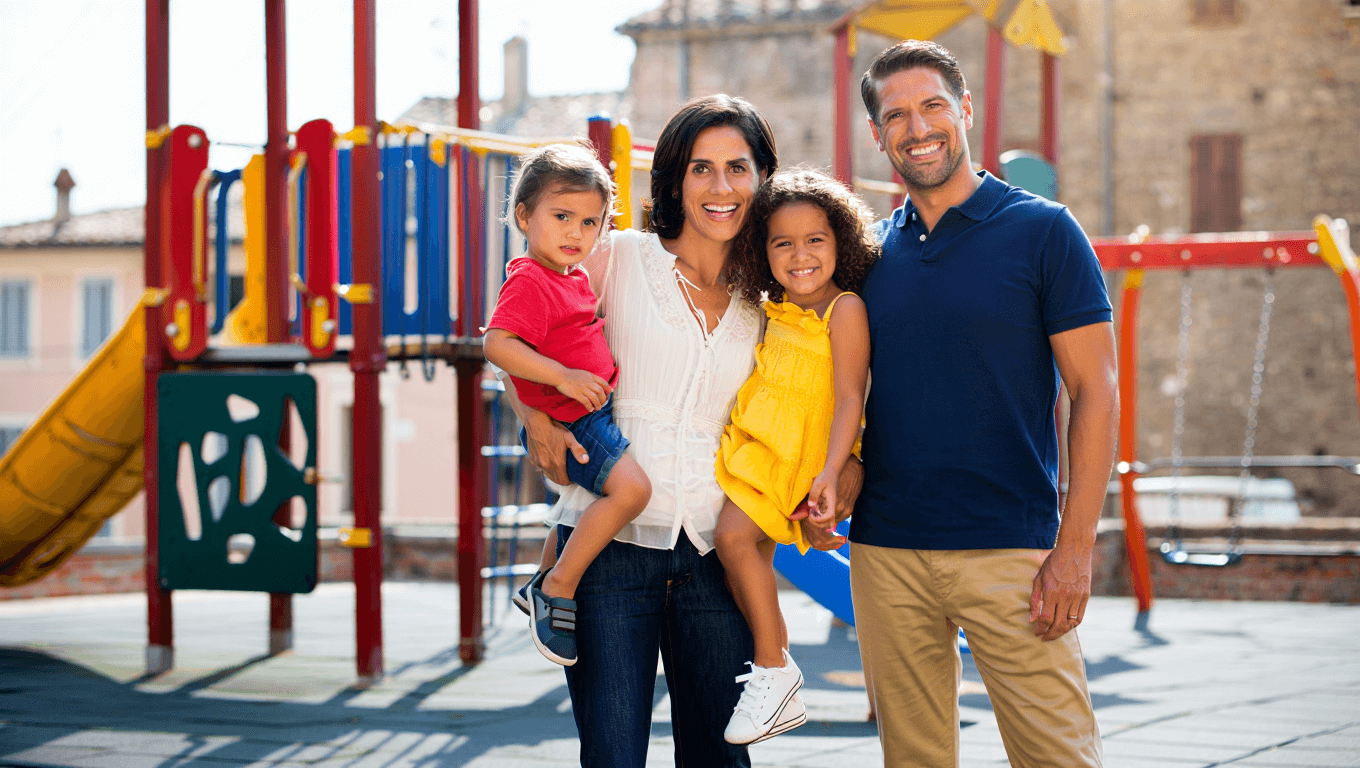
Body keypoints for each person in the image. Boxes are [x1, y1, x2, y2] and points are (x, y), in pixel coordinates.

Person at [500, 95, 861, 768]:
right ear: (673, 180)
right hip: (608, 556)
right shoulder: (619, 257)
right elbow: (518, 337)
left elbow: (817, 403)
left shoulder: (775, 301)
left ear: (762, 179)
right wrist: (534, 419)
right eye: (701, 168)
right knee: (612, 757)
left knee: (720, 760)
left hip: (713, 555)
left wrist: (838, 478)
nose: (721, 187)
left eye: (738, 168)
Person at [849, 40, 1118, 767]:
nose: (918, 127)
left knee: (1059, 757)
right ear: (879, 136)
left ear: (964, 110)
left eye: (933, 104)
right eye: (896, 114)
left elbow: (1096, 393)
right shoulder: (871, 255)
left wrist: (1075, 548)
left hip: (1014, 552)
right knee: (914, 760)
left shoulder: (1044, 232)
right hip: (886, 551)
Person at [712, 167, 876, 745]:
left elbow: (851, 397)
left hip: (802, 458)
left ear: (840, 244)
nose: (799, 255)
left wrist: (832, 471)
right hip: (762, 447)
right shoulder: (775, 307)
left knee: (733, 538)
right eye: (783, 243)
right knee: (740, 548)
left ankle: (775, 669)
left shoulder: (845, 310)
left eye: (815, 240)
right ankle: (773, 669)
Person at [483, 142, 652, 668]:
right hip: (572, 417)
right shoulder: (532, 279)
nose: (576, 233)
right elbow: (498, 344)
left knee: (580, 505)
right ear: (523, 216)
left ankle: (540, 578)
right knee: (632, 490)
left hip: (585, 411)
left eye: (590, 222)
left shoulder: (571, 275)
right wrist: (564, 377)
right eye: (562, 217)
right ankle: (556, 586)